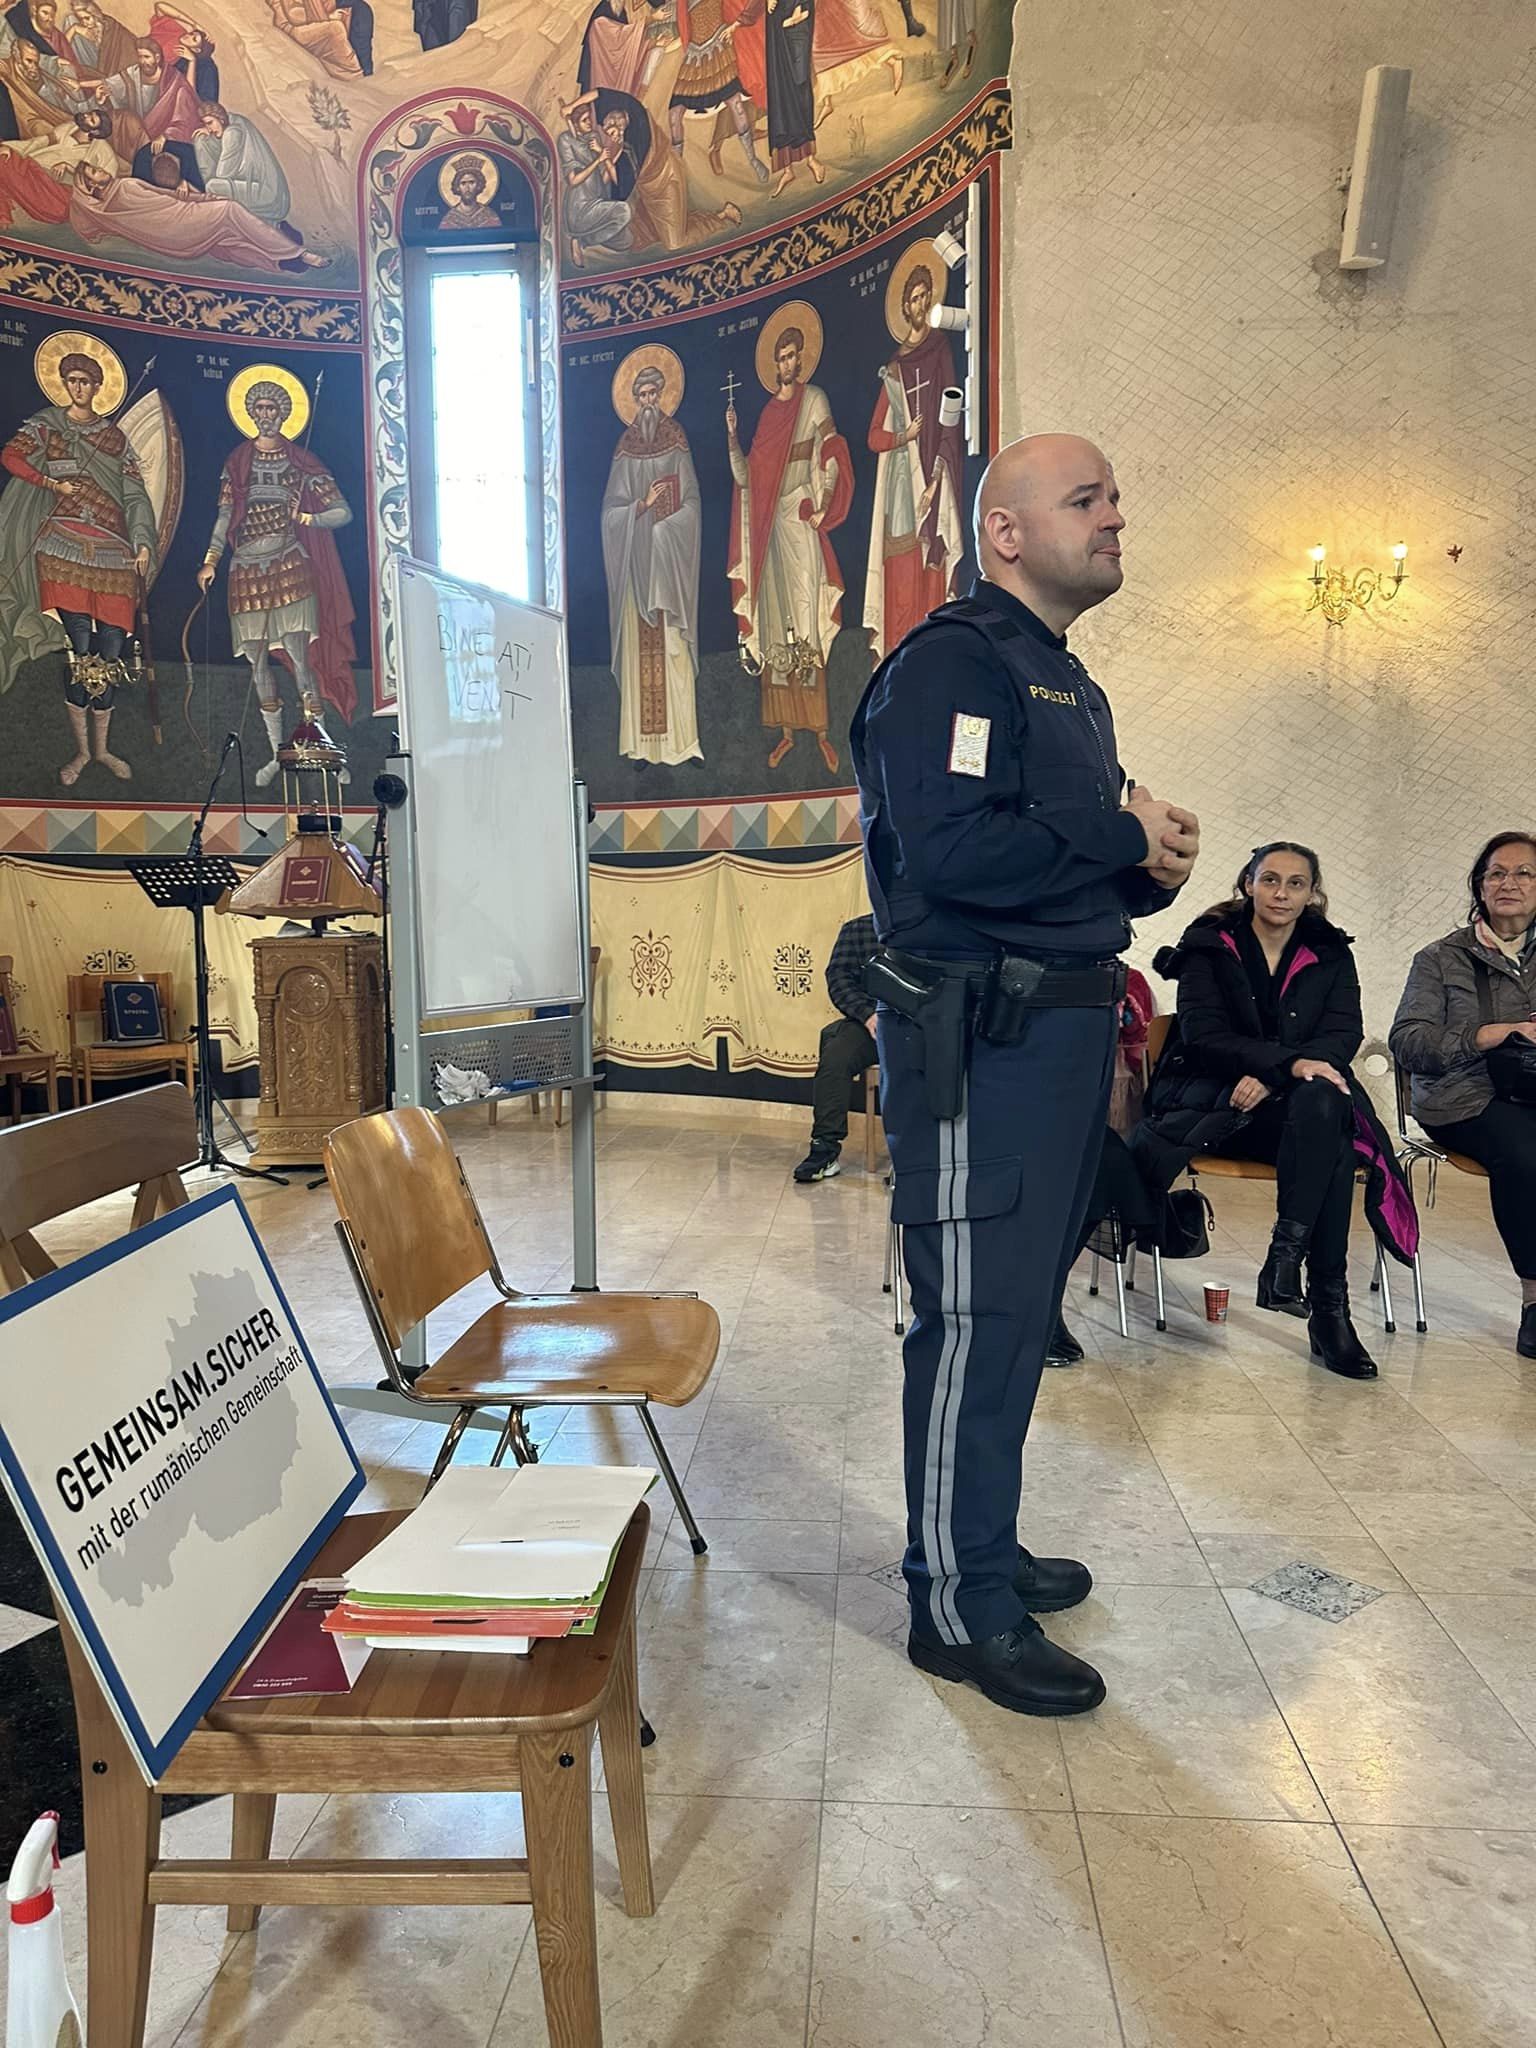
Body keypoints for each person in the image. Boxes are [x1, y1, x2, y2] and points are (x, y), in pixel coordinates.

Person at [850, 431, 1199, 1716]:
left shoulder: (1064, 681)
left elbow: (1055, 873)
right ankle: (957, 1605)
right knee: (974, 1326)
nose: (1116, 516)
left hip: (1058, 1037)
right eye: (1086, 497)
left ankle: (979, 1544)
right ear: (1004, 531)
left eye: (1116, 496)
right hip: (982, 1047)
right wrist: (1117, 830)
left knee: (1017, 1323)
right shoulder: (952, 662)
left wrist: (1145, 867)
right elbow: (951, 854)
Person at [1138, 843, 1418, 1379]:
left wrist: (1277, 1077)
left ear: (1312, 893)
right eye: (1270, 880)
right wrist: (1286, 1066)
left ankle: (1290, 1265)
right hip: (1215, 1106)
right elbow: (1202, 1036)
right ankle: (1325, 1309)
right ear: (1248, 884)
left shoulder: (1330, 951)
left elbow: (1343, 1034)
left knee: (1325, 1112)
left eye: (1295, 883)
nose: (1281, 893)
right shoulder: (1207, 946)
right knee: (1332, 1142)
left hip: (1296, 1109)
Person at [1391, 830, 1536, 1358]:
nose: (1508, 883)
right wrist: (1490, 1034)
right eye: (1496, 873)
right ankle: (1535, 1300)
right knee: (1524, 1153)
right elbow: (1408, 1042)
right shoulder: (1439, 958)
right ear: (1479, 886)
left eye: (1524, 873)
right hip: (1461, 1096)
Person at [0, 348, 156, 783]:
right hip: (64, 546)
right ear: (65, 384)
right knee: (79, 647)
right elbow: (11, 457)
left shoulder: (114, 438)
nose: (79, 387)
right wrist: (50, 482)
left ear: (98, 387)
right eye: (72, 380)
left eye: (86, 381)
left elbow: (134, 494)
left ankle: (102, 751)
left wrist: (143, 539)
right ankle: (81, 752)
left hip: (113, 551)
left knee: (111, 649)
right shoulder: (47, 425)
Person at [198, 377, 355, 779]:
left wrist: (307, 518)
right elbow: (223, 516)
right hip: (246, 570)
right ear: (251, 413)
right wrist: (211, 559)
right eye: (259, 408)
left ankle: (323, 749)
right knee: (257, 665)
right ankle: (276, 755)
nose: (265, 414)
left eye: (272, 408)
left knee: (301, 660)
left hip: (288, 565)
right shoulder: (238, 461)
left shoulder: (302, 460)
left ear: (283, 414)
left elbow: (342, 512)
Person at [726, 317, 852, 773]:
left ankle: (821, 733)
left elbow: (831, 450)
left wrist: (824, 503)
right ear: (774, 364)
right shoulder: (767, 415)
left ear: (801, 359)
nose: (786, 363)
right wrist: (731, 436)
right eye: (780, 357)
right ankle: (785, 733)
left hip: (801, 517)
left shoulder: (814, 399)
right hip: (770, 530)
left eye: (792, 355)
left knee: (807, 617)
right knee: (777, 622)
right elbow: (747, 477)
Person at [600, 357, 703, 766]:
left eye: (652, 394)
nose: (647, 402)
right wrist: (641, 506)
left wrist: (668, 528)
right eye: (640, 395)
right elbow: (609, 514)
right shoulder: (625, 448)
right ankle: (640, 748)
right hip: (635, 570)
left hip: (668, 567)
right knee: (638, 660)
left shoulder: (676, 440)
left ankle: (684, 744)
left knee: (673, 650)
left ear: (662, 396)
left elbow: (692, 502)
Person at [864, 257, 963, 659]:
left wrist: (936, 479)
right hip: (899, 482)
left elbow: (951, 416)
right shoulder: (893, 369)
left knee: (930, 559)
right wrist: (903, 436)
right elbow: (874, 437)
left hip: (933, 471)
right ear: (904, 306)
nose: (920, 306)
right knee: (900, 565)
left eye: (926, 298)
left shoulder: (940, 350)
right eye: (914, 299)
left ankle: (933, 652)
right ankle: (897, 652)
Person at [69, 154, 326, 270]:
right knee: (230, 209)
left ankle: (279, 262)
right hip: (184, 221)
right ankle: (298, 253)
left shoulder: (105, 213)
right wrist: (206, 198)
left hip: (174, 240)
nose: (101, 169)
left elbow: (83, 222)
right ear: (91, 185)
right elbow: (170, 196)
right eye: (94, 172)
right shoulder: (126, 185)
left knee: (226, 243)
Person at [794, 913, 877, 1182]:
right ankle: (824, 1150)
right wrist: (867, 1015)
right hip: (869, 1024)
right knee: (836, 1056)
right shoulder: (858, 929)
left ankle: (916, 1155)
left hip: (919, 1026)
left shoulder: (928, 928)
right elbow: (839, 979)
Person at [558, 90, 632, 265]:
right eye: (584, 120)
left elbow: (607, 178)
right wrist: (598, 160)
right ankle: (581, 240)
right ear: (575, 124)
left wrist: (607, 156)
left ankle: (583, 239)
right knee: (624, 211)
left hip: (598, 201)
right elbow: (573, 181)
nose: (590, 123)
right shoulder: (566, 140)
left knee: (627, 241)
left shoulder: (594, 137)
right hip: (581, 207)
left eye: (589, 119)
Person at [193, 101, 291, 226]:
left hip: (269, 196)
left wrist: (211, 141)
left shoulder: (233, 132)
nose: (209, 130)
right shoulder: (234, 121)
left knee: (213, 186)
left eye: (210, 123)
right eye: (206, 125)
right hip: (272, 193)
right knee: (201, 140)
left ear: (220, 119)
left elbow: (223, 173)